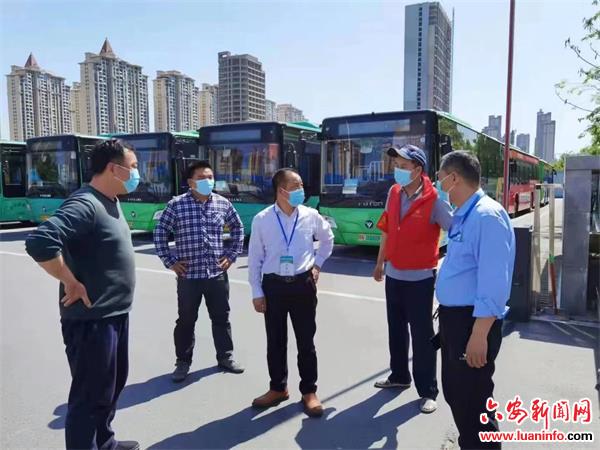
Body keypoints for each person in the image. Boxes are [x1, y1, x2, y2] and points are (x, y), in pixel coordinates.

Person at [25, 139, 141, 450]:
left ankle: (105, 442)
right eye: (132, 167)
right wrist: (69, 281)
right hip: (91, 320)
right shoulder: (86, 203)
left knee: (110, 388)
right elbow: (40, 241)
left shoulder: (110, 200)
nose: (136, 174)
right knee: (89, 398)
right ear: (113, 168)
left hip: (115, 314)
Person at [435, 151, 515, 449]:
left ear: (453, 178)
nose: (439, 185)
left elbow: (494, 281)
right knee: (458, 394)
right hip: (456, 321)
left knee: (474, 401)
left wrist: (479, 335)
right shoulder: (465, 215)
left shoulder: (486, 216)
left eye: (440, 179)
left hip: (473, 323)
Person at [372, 144, 452, 414]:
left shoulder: (435, 199)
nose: (398, 170)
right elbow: (386, 228)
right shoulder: (394, 192)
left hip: (420, 279)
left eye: (403, 166)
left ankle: (428, 390)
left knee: (422, 336)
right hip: (394, 274)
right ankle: (399, 376)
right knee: (395, 330)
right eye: (396, 165)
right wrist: (380, 262)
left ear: (418, 170)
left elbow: (455, 230)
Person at [248, 168, 334, 417]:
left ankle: (309, 391)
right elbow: (255, 258)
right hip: (273, 285)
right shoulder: (262, 219)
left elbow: (327, 239)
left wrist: (317, 265)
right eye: (296, 186)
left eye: (301, 185)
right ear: (281, 190)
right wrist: (256, 291)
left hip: (302, 284)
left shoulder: (310, 215)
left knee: (306, 341)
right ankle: (278, 388)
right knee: (275, 341)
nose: (301, 191)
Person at [154, 160, 245, 382]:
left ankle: (225, 356)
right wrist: (170, 261)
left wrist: (231, 255)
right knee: (186, 321)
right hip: (188, 276)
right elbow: (160, 233)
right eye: (202, 178)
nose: (208, 181)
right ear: (191, 182)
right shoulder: (176, 205)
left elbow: (238, 227)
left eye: (210, 177)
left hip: (216, 274)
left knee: (221, 318)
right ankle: (182, 362)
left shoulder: (222, 203)